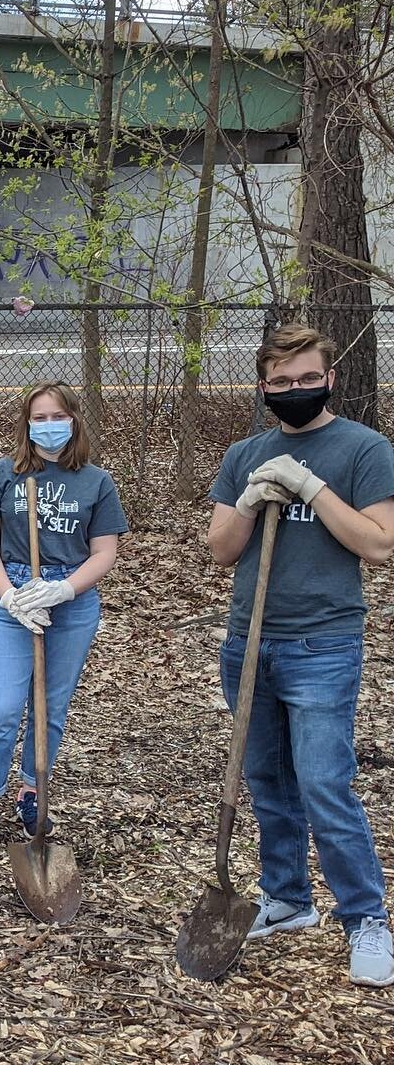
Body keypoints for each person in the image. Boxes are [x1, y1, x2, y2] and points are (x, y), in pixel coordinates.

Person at [207, 323, 394, 989]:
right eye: (281, 382)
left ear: (329, 378)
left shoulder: (363, 449)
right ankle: (286, 897)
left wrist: (311, 488)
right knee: (269, 781)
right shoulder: (244, 454)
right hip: (250, 641)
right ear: (263, 388)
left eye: (306, 378)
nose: (295, 390)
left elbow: (376, 543)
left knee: (322, 783)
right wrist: (255, 498)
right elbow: (221, 548)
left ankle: (366, 917)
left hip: (323, 643)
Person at [0, 381, 127, 857]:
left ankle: (34, 793)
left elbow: (105, 551)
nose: (49, 426)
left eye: (57, 417)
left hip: (71, 604)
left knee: (50, 704)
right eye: (39, 418)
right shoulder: (1, 475)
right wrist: (9, 596)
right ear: (27, 424)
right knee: (4, 707)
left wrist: (65, 588)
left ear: (74, 420)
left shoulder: (96, 481)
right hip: (14, 599)